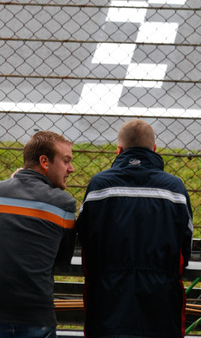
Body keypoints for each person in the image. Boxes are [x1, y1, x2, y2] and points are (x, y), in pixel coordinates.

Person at [76, 119, 193, 338]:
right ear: (155, 149)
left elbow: (85, 236)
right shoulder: (174, 188)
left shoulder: (99, 185)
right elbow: (185, 242)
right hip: (161, 298)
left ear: (118, 150)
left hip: (106, 297)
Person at [0, 130, 76, 338]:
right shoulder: (63, 203)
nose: (71, 169)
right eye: (66, 161)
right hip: (35, 314)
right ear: (44, 162)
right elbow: (61, 260)